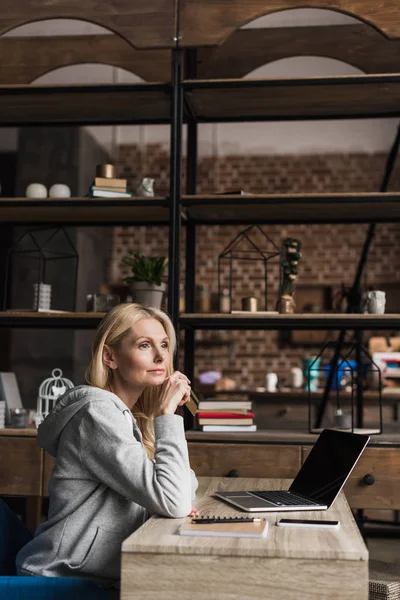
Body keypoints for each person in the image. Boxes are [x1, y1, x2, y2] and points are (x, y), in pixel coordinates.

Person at [16, 303, 199, 595]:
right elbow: (175, 500)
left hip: (104, 575)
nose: (161, 356)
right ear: (110, 357)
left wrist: (170, 492)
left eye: (164, 344)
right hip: (62, 580)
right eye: (144, 345)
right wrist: (168, 416)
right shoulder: (96, 415)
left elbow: (183, 485)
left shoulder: (133, 416)